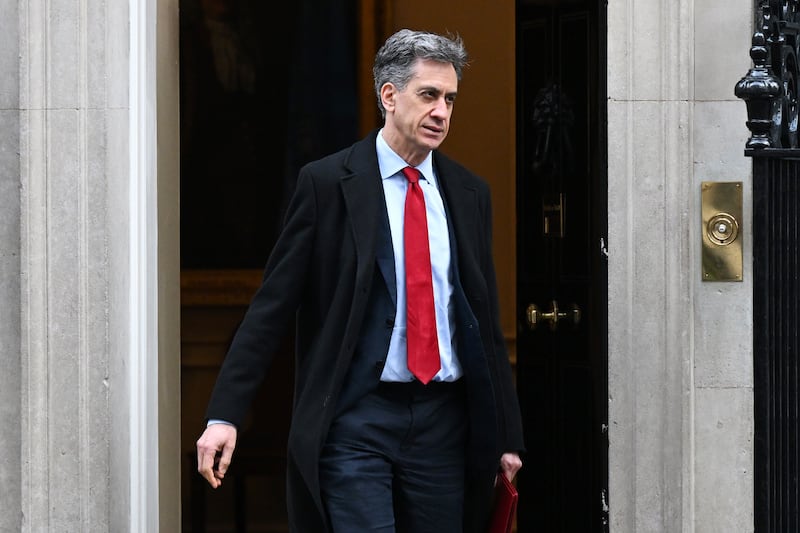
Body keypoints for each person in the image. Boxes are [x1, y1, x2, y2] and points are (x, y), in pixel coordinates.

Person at [196, 28, 525, 532]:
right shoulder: (327, 184)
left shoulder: (467, 192)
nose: (443, 112)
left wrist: (506, 436)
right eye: (429, 95)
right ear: (389, 96)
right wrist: (225, 415)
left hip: (444, 424)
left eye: (450, 98)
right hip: (357, 418)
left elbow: (482, 315)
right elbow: (270, 309)